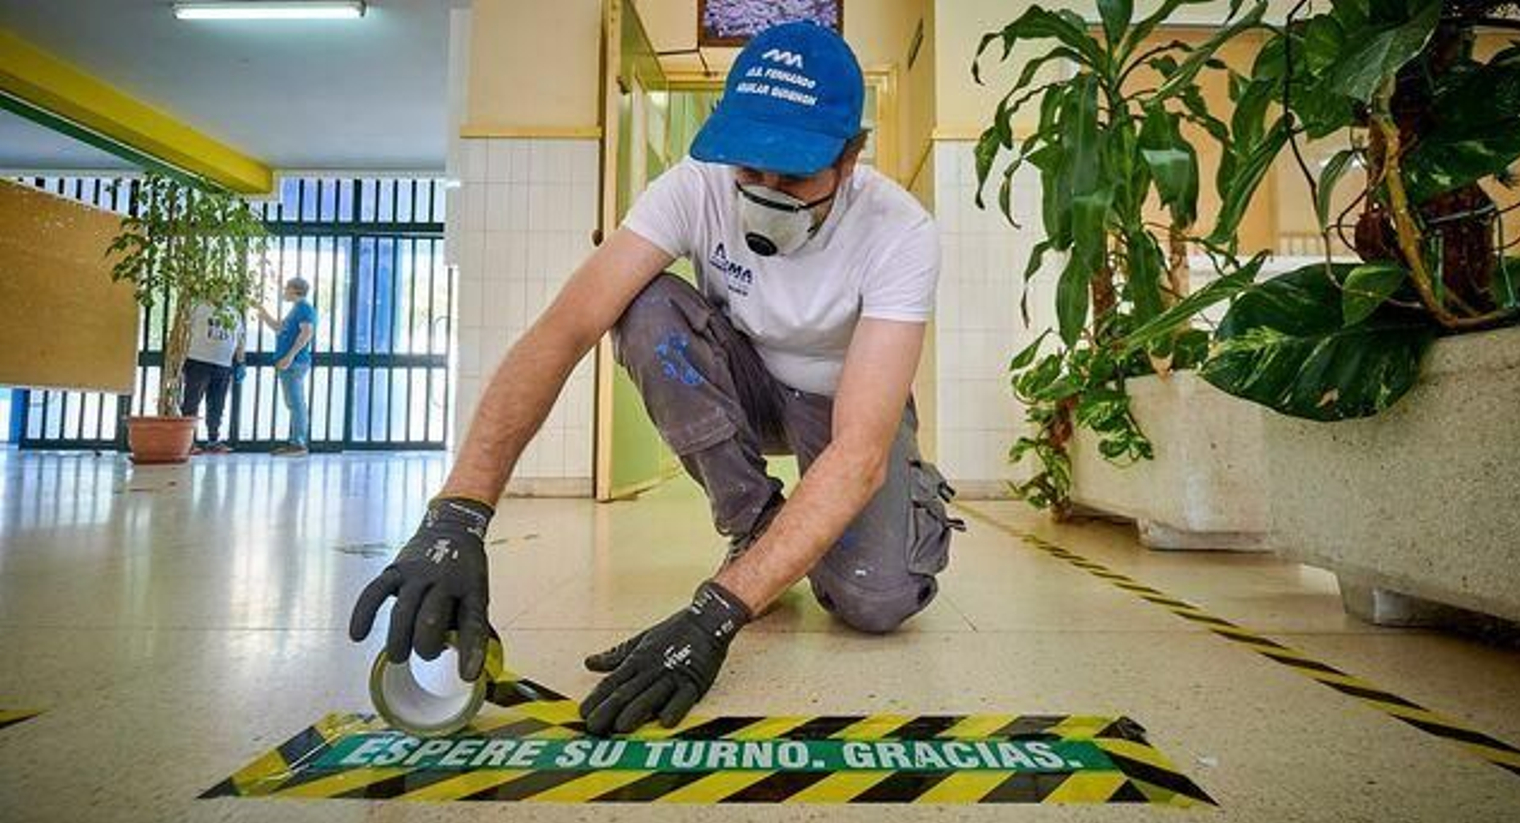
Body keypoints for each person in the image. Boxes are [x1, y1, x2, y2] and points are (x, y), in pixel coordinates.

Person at [349, 22, 959, 734]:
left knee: (876, 603)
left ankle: (894, 504)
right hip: (747, 384)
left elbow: (857, 452)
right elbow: (566, 327)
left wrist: (713, 616)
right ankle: (754, 526)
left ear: (850, 158)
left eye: (791, 176)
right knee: (643, 305)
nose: (763, 192)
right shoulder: (692, 190)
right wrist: (458, 515)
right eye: (748, 171)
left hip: (844, 404)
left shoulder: (900, 231)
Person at [253, 277, 316, 456]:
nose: (284, 291)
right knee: (293, 403)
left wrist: (289, 356)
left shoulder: (304, 308)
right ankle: (295, 442)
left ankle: (299, 444)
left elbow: (307, 334)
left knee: (296, 404)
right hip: (290, 363)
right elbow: (279, 328)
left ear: (295, 290)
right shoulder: (296, 310)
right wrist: (263, 313)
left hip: (295, 363)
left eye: (286, 288)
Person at [181, 300, 245, 452]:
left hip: (223, 364)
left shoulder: (234, 312)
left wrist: (240, 362)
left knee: (217, 404)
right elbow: (184, 331)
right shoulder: (198, 307)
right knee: (192, 401)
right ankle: (188, 441)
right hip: (198, 361)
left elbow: (239, 339)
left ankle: (213, 440)